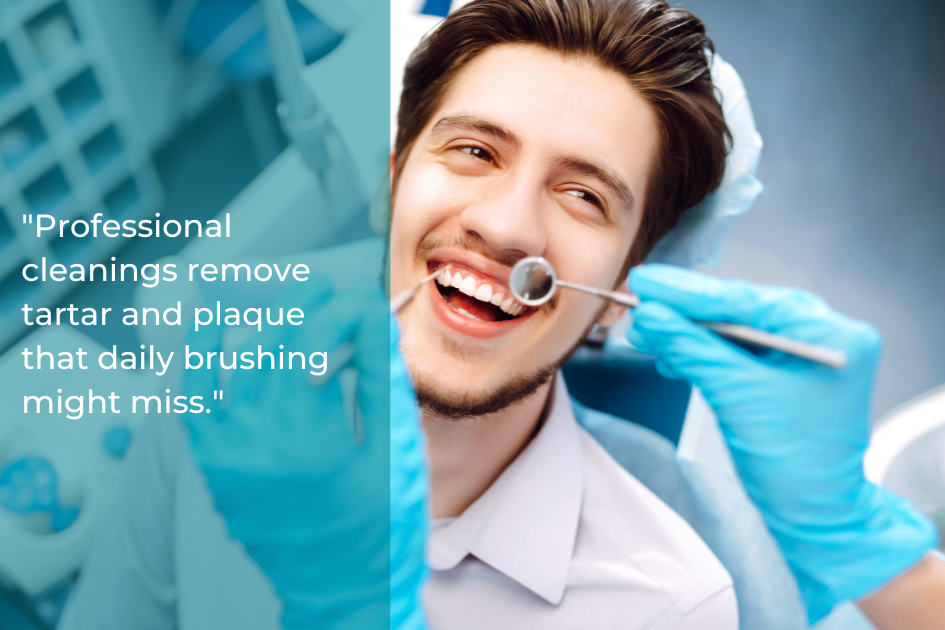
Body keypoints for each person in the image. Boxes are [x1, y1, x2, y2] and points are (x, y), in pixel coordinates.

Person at [388, 0, 748, 627]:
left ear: (622, 294)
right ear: (388, 189)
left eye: (584, 196)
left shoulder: (663, 608)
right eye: (476, 151)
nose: (505, 228)